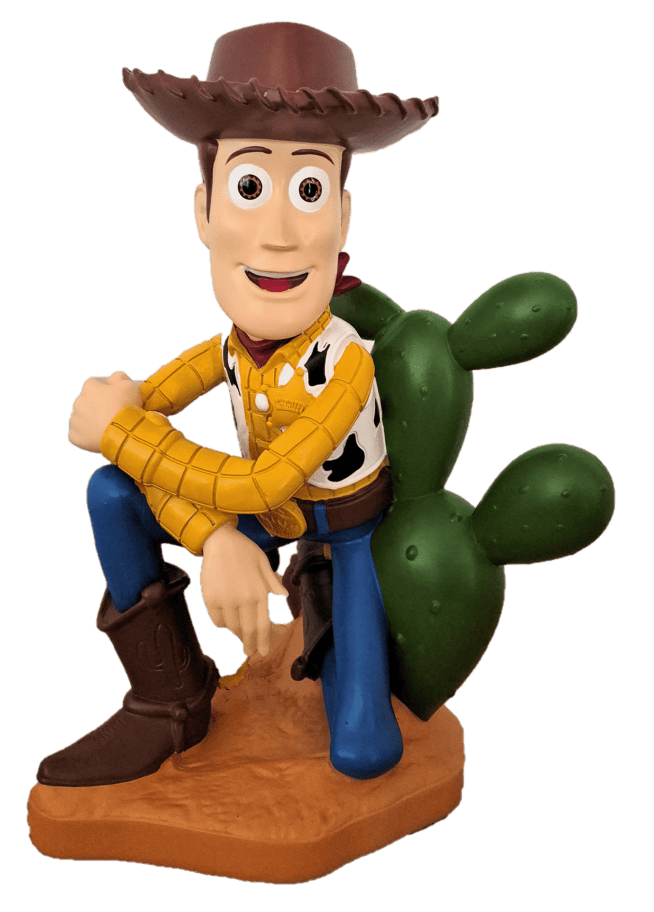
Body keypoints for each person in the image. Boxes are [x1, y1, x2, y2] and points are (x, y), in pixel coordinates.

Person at [36, 21, 439, 788]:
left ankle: (322, 592)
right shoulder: (226, 348)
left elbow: (262, 483)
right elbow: (139, 415)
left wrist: (133, 442)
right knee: (112, 492)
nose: (279, 235)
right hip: (264, 516)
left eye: (309, 190)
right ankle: (168, 699)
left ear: (343, 216)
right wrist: (212, 534)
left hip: (343, 528)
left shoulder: (345, 364)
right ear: (204, 211)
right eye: (250, 187)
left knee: (364, 751)